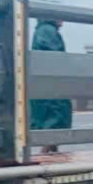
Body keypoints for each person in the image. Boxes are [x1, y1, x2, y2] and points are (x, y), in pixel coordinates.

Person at [29, 18, 72, 153]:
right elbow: (55, 57)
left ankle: (51, 155)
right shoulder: (48, 31)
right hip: (52, 88)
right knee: (53, 124)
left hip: (46, 85)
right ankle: (46, 157)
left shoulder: (43, 30)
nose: (63, 21)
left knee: (52, 126)